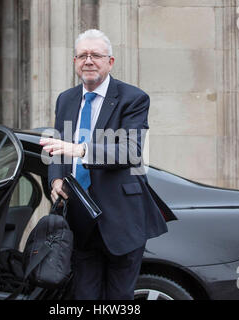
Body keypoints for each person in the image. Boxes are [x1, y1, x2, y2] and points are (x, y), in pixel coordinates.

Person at [39, 29, 168, 300]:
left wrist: (81, 149)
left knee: (118, 299)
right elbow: (56, 147)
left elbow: (130, 151)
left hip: (122, 219)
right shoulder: (66, 99)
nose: (88, 60)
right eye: (82, 55)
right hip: (80, 219)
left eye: (96, 55)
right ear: (75, 61)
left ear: (110, 62)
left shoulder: (133, 98)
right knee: (84, 296)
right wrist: (56, 178)